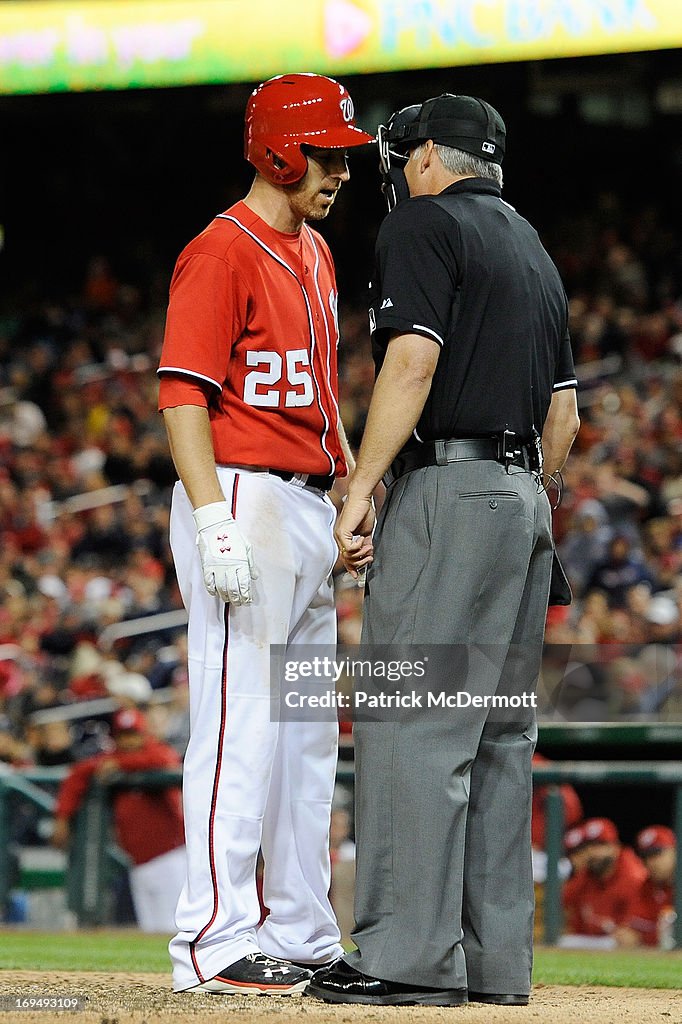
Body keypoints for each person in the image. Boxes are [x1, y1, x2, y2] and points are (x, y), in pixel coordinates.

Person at [309, 94, 580, 1007]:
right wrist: (528, 508)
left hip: (453, 490)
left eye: (401, 155)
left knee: (414, 728)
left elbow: (413, 362)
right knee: (500, 736)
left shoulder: (425, 223)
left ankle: (403, 960)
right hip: (525, 499)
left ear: (429, 157)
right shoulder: (533, 247)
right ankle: (494, 966)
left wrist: (359, 488)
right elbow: (564, 414)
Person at [157, 73, 373, 994]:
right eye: (326, 153)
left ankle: (303, 932)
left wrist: (347, 491)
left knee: (303, 734)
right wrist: (211, 518)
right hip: (239, 494)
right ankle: (211, 939)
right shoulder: (219, 249)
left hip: (304, 503)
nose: (339, 172)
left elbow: (322, 398)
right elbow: (181, 397)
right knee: (239, 723)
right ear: (283, 149)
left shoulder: (317, 254)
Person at [52, 708, 185, 933]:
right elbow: (76, 775)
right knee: (151, 933)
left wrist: (123, 764)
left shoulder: (155, 754)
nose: (129, 741)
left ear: (143, 734)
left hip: (171, 859)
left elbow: (167, 760)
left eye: (133, 735)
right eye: (123, 736)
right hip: (138, 862)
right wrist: (63, 819)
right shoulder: (111, 760)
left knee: (175, 929)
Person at [560, 817, 647, 948]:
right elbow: (562, 905)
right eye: (589, 845)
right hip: (589, 943)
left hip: (622, 946)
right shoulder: (585, 875)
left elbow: (632, 932)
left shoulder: (633, 876)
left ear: (616, 847)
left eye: (600, 845)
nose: (593, 852)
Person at [621, 825, 676, 947]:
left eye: (657, 854)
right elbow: (630, 931)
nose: (651, 862)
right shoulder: (644, 888)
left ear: (675, 851)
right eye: (646, 857)